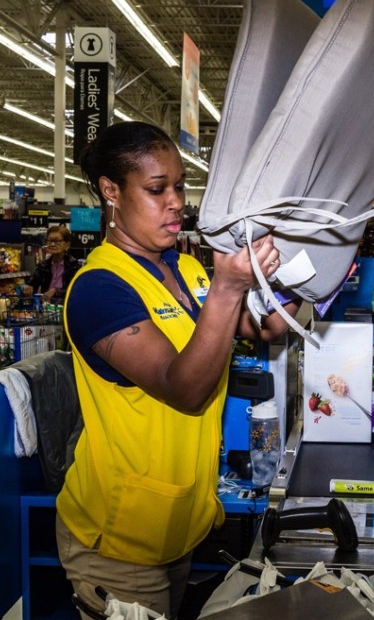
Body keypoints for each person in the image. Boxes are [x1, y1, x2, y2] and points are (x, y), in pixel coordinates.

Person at [56, 121, 300, 618]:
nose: (176, 202)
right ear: (111, 192)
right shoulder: (99, 288)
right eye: (156, 189)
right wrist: (229, 289)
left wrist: (302, 264)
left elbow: (270, 327)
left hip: (179, 524)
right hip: (119, 541)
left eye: (181, 185)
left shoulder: (186, 268)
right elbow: (184, 388)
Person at [24, 224, 82, 304]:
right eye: (50, 241)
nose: (52, 244)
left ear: (67, 245)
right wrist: (28, 287)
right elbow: (32, 283)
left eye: (57, 241)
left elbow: (76, 290)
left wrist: (56, 291)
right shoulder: (43, 265)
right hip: (47, 311)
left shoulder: (74, 266)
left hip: (66, 307)